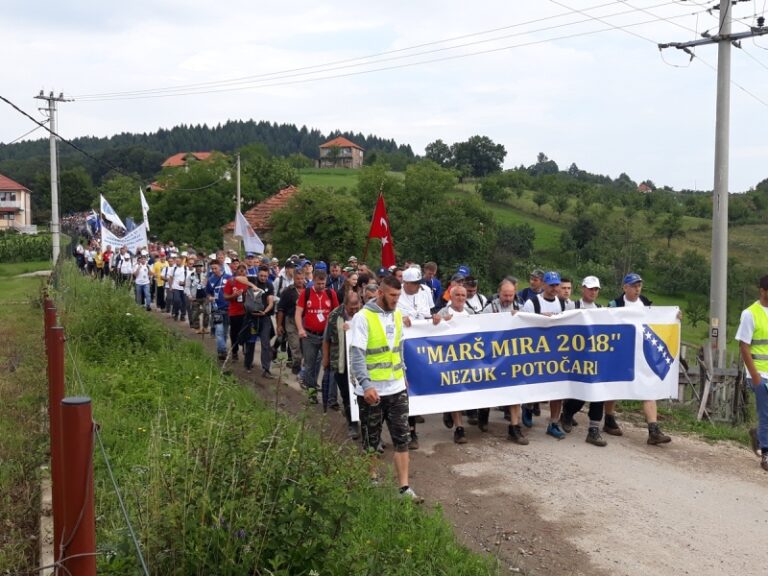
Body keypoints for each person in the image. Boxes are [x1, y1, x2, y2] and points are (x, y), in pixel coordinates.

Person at [349, 275, 418, 499]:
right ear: (380, 293)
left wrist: (403, 373)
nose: (396, 299)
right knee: (372, 441)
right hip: (372, 392)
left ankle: (404, 488)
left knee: (402, 438)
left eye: (398, 295)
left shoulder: (398, 315)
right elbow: (357, 355)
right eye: (392, 295)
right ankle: (373, 481)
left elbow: (398, 347)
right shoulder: (363, 318)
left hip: (397, 388)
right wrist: (366, 384)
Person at [606, 272, 671, 445]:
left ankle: (653, 429)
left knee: (648, 387)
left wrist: (675, 318)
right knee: (614, 385)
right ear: (624, 287)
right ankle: (609, 418)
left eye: (639, 285)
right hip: (620, 350)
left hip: (642, 352)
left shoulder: (647, 303)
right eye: (633, 286)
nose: (637, 289)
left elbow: (658, 322)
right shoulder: (615, 304)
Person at [560, 276, 608, 446]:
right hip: (575, 357)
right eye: (590, 288)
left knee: (599, 391)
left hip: (595, 357)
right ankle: (567, 412)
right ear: (583, 289)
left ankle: (594, 429)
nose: (593, 292)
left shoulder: (602, 310)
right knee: (580, 395)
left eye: (596, 289)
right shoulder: (573, 306)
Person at [481, 277, 527, 444]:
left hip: (513, 358)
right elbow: (477, 329)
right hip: (493, 357)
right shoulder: (489, 309)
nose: (508, 299)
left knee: (515, 391)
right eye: (505, 295)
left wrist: (521, 316)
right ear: (498, 293)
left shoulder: (521, 308)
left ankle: (514, 428)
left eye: (511, 295)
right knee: (488, 390)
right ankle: (483, 414)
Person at [521, 271, 566, 439]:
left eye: (557, 285)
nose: (555, 288)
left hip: (556, 351)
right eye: (551, 285)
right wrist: (540, 318)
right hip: (536, 351)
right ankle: (529, 406)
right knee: (535, 385)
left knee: (558, 389)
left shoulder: (563, 304)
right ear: (544, 285)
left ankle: (553, 423)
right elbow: (522, 325)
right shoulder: (532, 303)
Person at [734, 274, 768, 471]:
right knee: (765, 413)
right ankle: (766, 454)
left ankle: (759, 435)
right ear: (762, 291)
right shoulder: (750, 314)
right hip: (759, 374)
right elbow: (744, 347)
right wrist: (754, 375)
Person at [437, 285, 474, 444]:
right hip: (449, 360)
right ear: (450, 297)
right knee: (455, 392)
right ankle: (459, 428)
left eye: (463, 295)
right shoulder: (442, 313)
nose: (460, 298)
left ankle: (450, 412)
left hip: (468, 360)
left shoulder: (472, 314)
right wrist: (439, 322)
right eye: (457, 295)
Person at [296, 269, 339, 403]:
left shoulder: (330, 293)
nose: (321, 286)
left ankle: (331, 398)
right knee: (309, 366)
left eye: (323, 283)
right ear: (313, 280)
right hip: (309, 335)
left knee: (330, 365)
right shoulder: (306, 293)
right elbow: (298, 313)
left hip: (326, 336)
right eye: (319, 283)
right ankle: (312, 393)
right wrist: (300, 329)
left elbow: (337, 313)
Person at [323, 290, 362, 439]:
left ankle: (366, 425)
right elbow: (326, 339)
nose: (354, 309)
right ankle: (352, 424)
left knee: (363, 395)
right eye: (351, 306)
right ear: (344, 304)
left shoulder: (364, 314)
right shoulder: (334, 316)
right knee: (346, 394)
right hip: (341, 362)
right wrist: (325, 359)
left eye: (356, 305)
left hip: (361, 364)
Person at [245, 265, 276, 378]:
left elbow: (271, 301)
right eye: (261, 275)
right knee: (250, 342)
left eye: (265, 276)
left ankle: (266, 369)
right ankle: (248, 364)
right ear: (258, 274)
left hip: (264, 317)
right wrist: (252, 285)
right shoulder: (252, 280)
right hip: (252, 318)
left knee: (266, 344)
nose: (263, 278)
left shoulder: (269, 285)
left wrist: (265, 311)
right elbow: (238, 278)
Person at [206, 261, 230, 361]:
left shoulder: (228, 278)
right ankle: (222, 351)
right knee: (219, 332)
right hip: (217, 309)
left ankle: (222, 349)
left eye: (215, 268)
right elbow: (208, 293)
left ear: (220, 267)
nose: (214, 270)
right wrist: (210, 297)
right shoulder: (210, 280)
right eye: (212, 269)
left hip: (228, 309)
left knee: (225, 332)